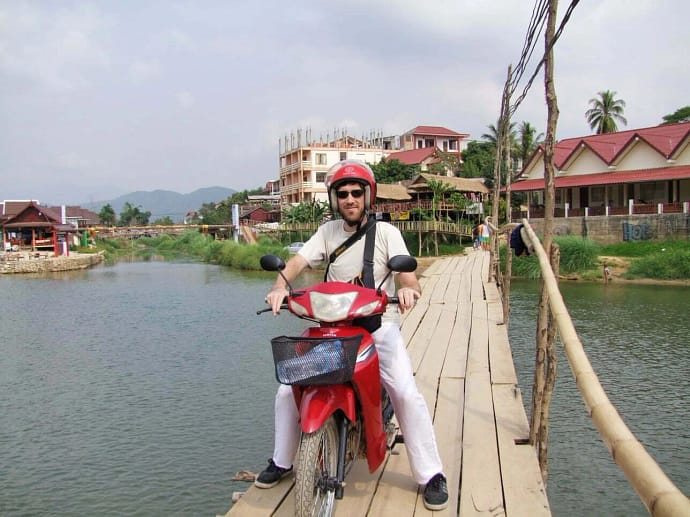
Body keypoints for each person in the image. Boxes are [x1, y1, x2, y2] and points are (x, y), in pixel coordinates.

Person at [256, 159, 448, 511]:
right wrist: (279, 288)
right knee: (287, 389)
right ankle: (282, 461)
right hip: (333, 329)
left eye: (356, 192)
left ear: (367, 196)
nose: (349, 199)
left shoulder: (387, 234)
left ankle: (431, 473)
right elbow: (297, 263)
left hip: (378, 326)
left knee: (404, 392)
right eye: (342, 193)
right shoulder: (327, 232)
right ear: (335, 199)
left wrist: (409, 290)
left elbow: (407, 273)